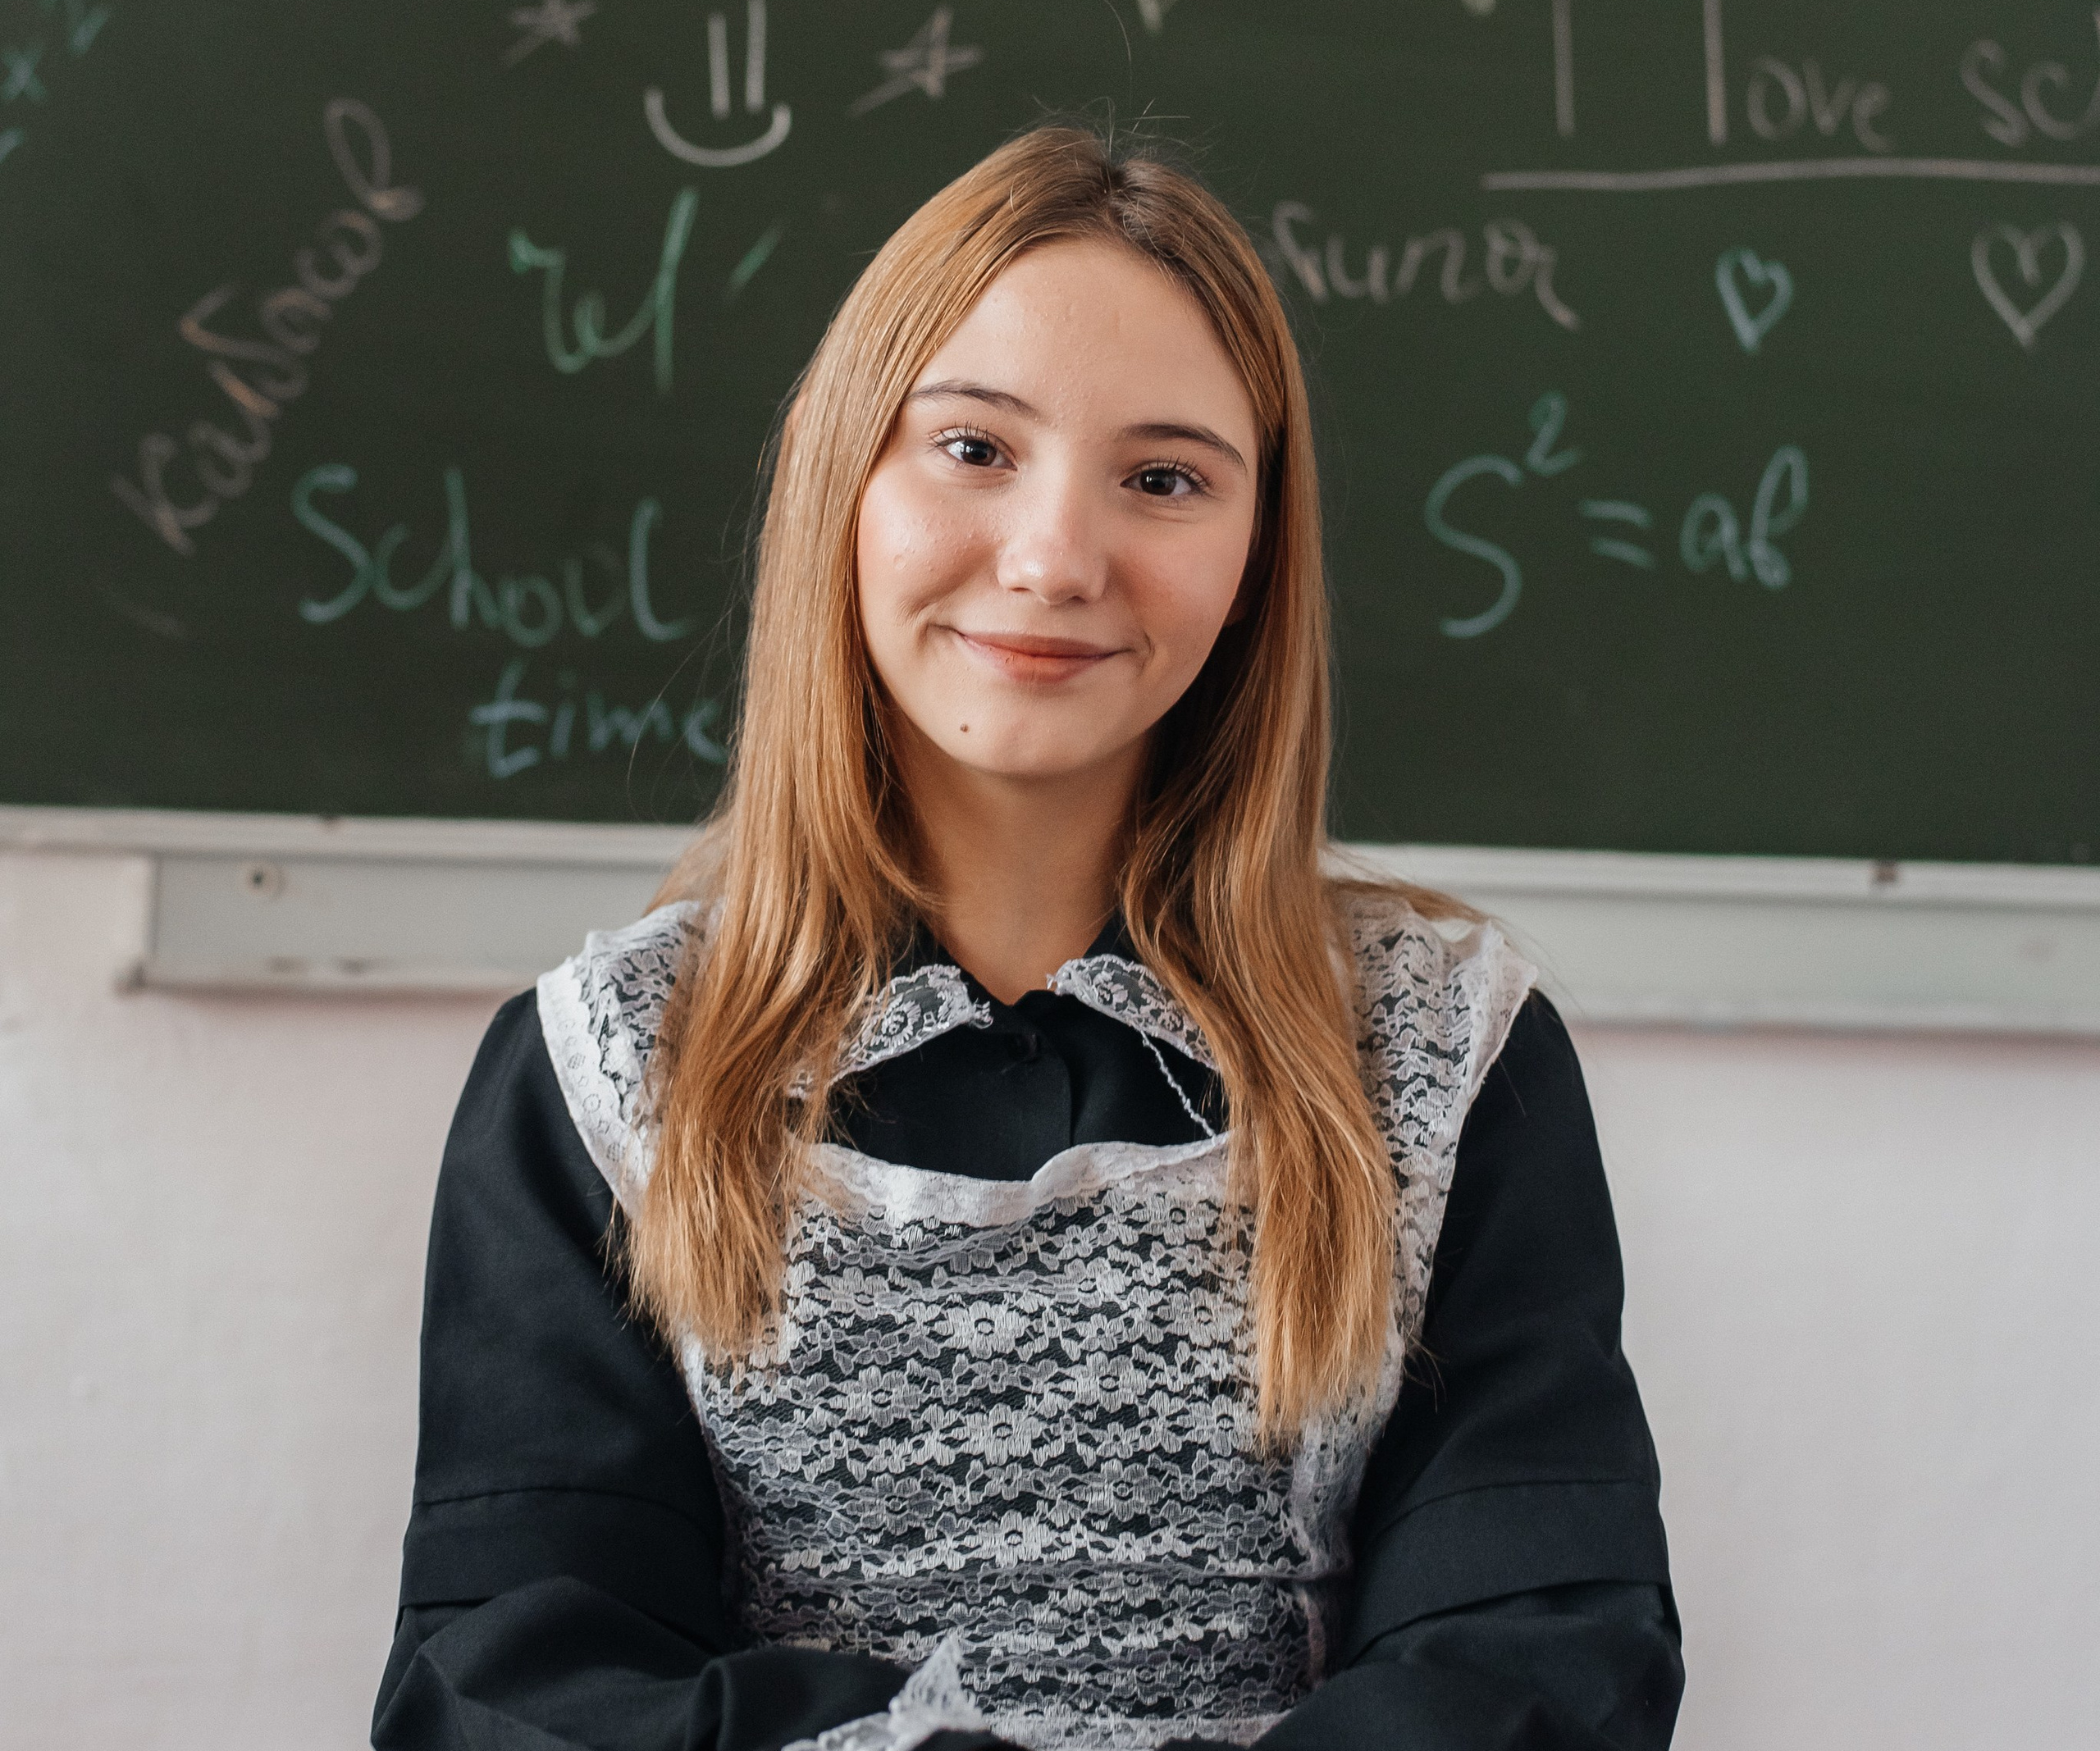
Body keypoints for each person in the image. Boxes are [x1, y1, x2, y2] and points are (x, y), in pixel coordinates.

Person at [373, 126, 1683, 1751]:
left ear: (1254, 554)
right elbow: (514, 1687)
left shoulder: (1442, 1047)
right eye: (973, 447)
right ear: (845, 480)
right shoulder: (603, 1066)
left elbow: (1538, 1662)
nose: (1055, 558)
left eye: (1164, 478)